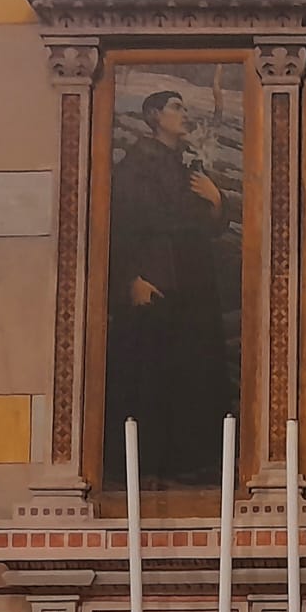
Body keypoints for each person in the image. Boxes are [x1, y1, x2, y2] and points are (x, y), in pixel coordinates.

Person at [103, 90, 237, 486]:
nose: (184, 114)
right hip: (155, 277)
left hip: (193, 278)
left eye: (184, 107)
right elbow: (119, 227)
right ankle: (148, 465)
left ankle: (195, 458)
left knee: (194, 363)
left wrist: (217, 201)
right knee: (152, 369)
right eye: (177, 107)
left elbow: (205, 224)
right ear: (154, 115)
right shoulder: (137, 165)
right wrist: (130, 279)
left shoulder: (186, 164)